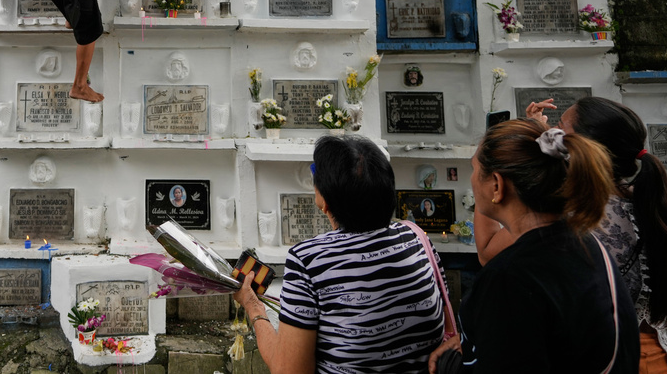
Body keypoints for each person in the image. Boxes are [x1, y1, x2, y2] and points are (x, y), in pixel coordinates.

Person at [432, 118, 639, 373]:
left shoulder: (509, 278)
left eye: (475, 169)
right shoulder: (586, 243)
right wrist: (471, 342)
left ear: (496, 184)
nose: (473, 179)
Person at [237, 135, 448, 374]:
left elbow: (288, 370)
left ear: (324, 201)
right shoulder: (416, 238)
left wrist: (253, 307)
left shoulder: (308, 260)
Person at [522, 97, 667, 373]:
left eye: (561, 128)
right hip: (649, 356)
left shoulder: (584, 214)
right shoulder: (638, 198)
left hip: (617, 361)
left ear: (585, 146)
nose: (555, 135)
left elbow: (490, 252)